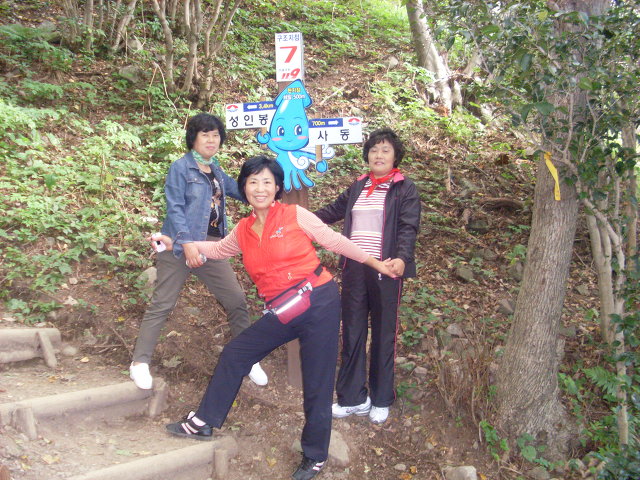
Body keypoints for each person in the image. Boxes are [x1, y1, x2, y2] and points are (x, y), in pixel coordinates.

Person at [150, 155, 396, 480]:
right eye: (253, 182)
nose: (260, 188)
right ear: (244, 188)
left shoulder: (295, 215)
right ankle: (204, 422)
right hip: (284, 310)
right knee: (236, 353)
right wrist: (178, 243)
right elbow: (218, 250)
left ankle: (315, 456)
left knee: (317, 383)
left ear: (278, 187)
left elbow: (333, 240)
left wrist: (376, 263)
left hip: (318, 302)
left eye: (267, 181)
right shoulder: (243, 229)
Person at [130, 113, 267, 390]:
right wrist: (188, 244)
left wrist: (267, 187)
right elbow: (175, 207)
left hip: (212, 246)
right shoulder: (181, 168)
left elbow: (241, 192)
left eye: (216, 135)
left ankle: (247, 359)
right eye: (205, 134)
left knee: (236, 300)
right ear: (193, 138)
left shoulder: (216, 170)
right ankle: (139, 362)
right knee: (162, 303)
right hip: (178, 245)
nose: (211, 140)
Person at [314, 128, 420, 425]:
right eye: (374, 150)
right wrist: (300, 218)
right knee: (352, 330)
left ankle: (382, 398)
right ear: (367, 155)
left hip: (387, 268)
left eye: (385, 150)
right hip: (355, 268)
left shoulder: (404, 188)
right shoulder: (359, 186)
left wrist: (402, 258)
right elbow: (333, 211)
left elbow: (408, 227)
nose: (379, 155)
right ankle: (352, 398)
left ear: (395, 156)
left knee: (384, 333)